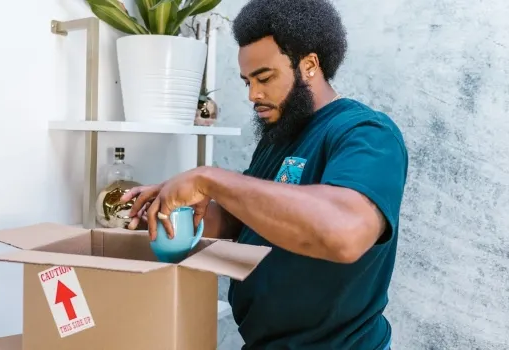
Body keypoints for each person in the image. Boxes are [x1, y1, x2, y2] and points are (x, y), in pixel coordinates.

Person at [119, 0, 408, 348]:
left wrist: (209, 179)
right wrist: (176, 208)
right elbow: (244, 220)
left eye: (265, 78)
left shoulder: (366, 133)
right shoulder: (279, 136)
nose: (253, 94)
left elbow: (344, 233)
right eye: (247, 82)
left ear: (310, 65)